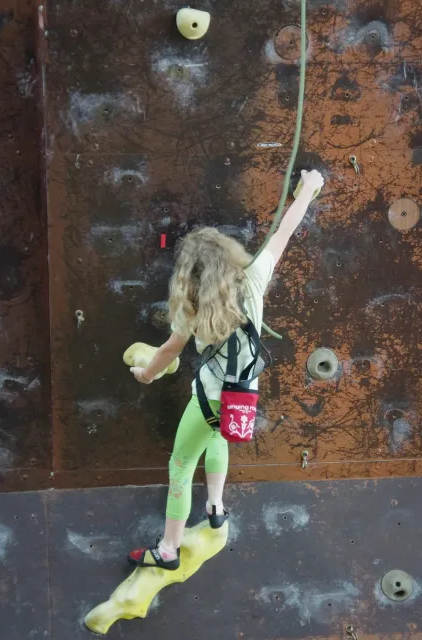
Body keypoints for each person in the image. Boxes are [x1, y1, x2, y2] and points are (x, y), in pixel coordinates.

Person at [128, 169, 324, 570]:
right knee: (217, 436)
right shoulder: (253, 279)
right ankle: (215, 506)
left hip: (208, 399)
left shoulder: (191, 305)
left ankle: (168, 550)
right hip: (242, 396)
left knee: (181, 465)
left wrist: (146, 375)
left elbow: (168, 350)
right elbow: (283, 232)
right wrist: (308, 189)